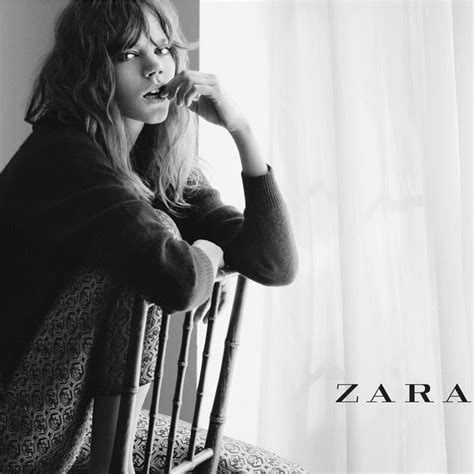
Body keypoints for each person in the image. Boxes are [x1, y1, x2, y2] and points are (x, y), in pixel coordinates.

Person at [0, 0, 298, 472]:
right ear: (89, 71)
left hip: (85, 425)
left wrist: (241, 129)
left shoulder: (151, 160)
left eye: (161, 49)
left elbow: (273, 264)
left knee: (270, 469)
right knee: (155, 237)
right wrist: (206, 254)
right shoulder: (64, 155)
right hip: (18, 424)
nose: (155, 67)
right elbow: (178, 279)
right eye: (128, 54)